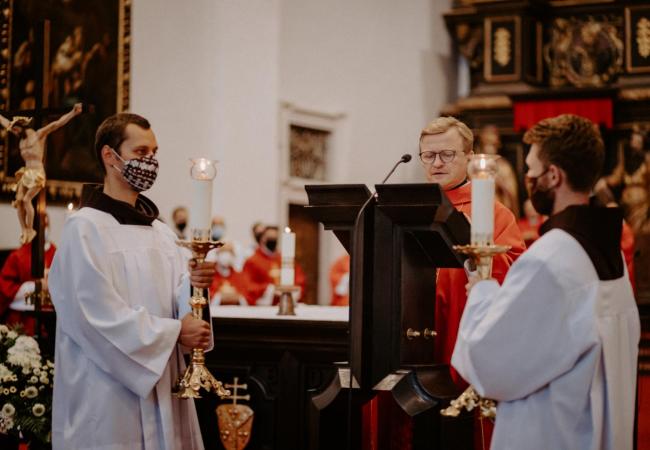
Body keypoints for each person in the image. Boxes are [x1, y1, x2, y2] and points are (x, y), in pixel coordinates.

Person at [452, 114, 640, 450]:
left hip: (551, 434)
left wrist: (482, 293)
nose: (527, 177)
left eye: (531, 168)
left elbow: (491, 364)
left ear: (553, 175)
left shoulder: (548, 259)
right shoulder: (608, 252)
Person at [49, 113, 215, 450]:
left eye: (154, 153)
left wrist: (195, 290)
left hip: (163, 386)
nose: (150, 162)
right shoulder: (85, 229)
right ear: (109, 156)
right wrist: (173, 332)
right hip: (107, 392)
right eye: (141, 152)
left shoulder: (162, 233)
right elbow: (93, 316)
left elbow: (178, 299)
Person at [419, 117, 525, 382]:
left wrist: (478, 249)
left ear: (469, 157)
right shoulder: (409, 208)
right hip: (412, 331)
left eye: (447, 154)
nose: (437, 163)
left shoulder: (493, 213)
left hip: (461, 325)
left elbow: (516, 274)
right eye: (429, 155)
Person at [0, 103, 83, 244]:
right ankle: (24, 229)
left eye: (16, 127)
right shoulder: (21, 137)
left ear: (22, 127)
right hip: (26, 173)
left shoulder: (38, 135)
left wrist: (73, 113)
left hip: (37, 173)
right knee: (19, 201)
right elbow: (6, 123)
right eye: (13, 128)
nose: (13, 130)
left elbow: (56, 124)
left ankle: (31, 229)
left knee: (27, 200)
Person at [0, 213, 56, 335]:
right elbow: (5, 287)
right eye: (40, 226)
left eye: (46, 225)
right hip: (23, 318)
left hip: (51, 318)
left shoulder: (58, 254)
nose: (44, 229)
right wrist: (35, 286)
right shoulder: (18, 256)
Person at [241, 225, 306, 305]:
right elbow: (248, 285)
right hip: (264, 306)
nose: (273, 241)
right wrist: (270, 289)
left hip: (285, 303)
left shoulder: (285, 259)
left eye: (275, 238)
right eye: (270, 238)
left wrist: (289, 291)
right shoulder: (252, 261)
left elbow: (300, 280)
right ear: (262, 239)